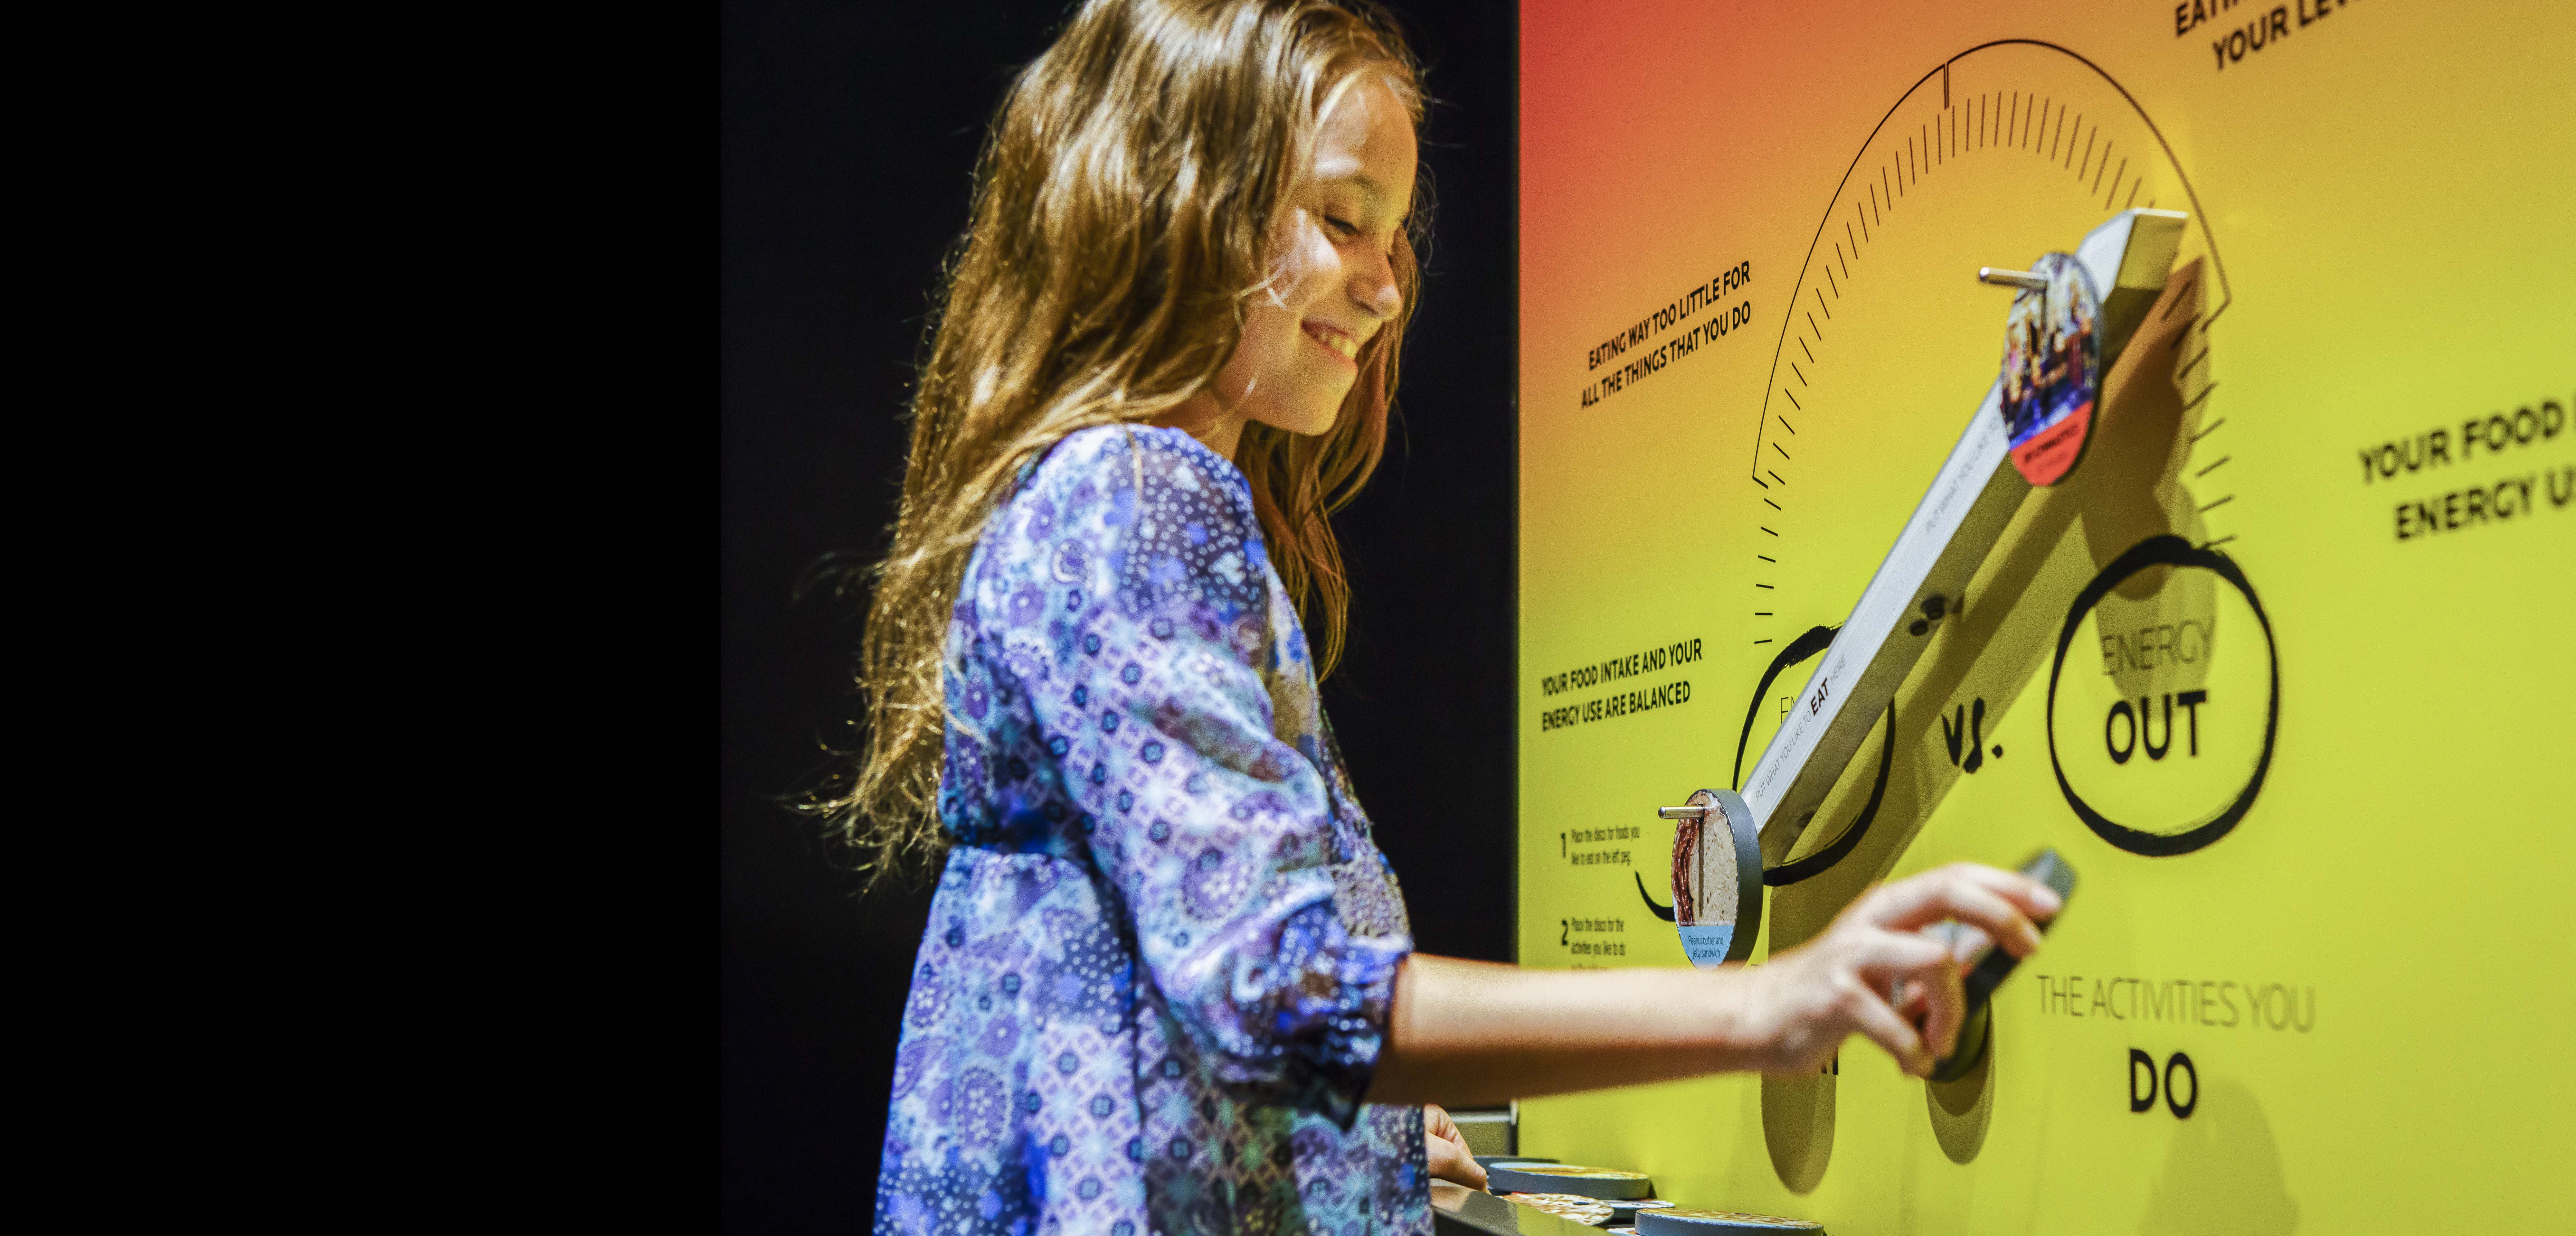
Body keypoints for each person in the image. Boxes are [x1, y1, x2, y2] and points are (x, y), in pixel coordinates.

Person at [815, 3, 2063, 1232]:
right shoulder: (1140, 495)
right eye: (1339, 219)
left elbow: (1158, 972)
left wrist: (1357, 1133)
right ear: (1174, 196)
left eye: (1392, 237)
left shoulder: (1099, 492)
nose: (1383, 289)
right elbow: (1276, 994)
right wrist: (1775, 1005)